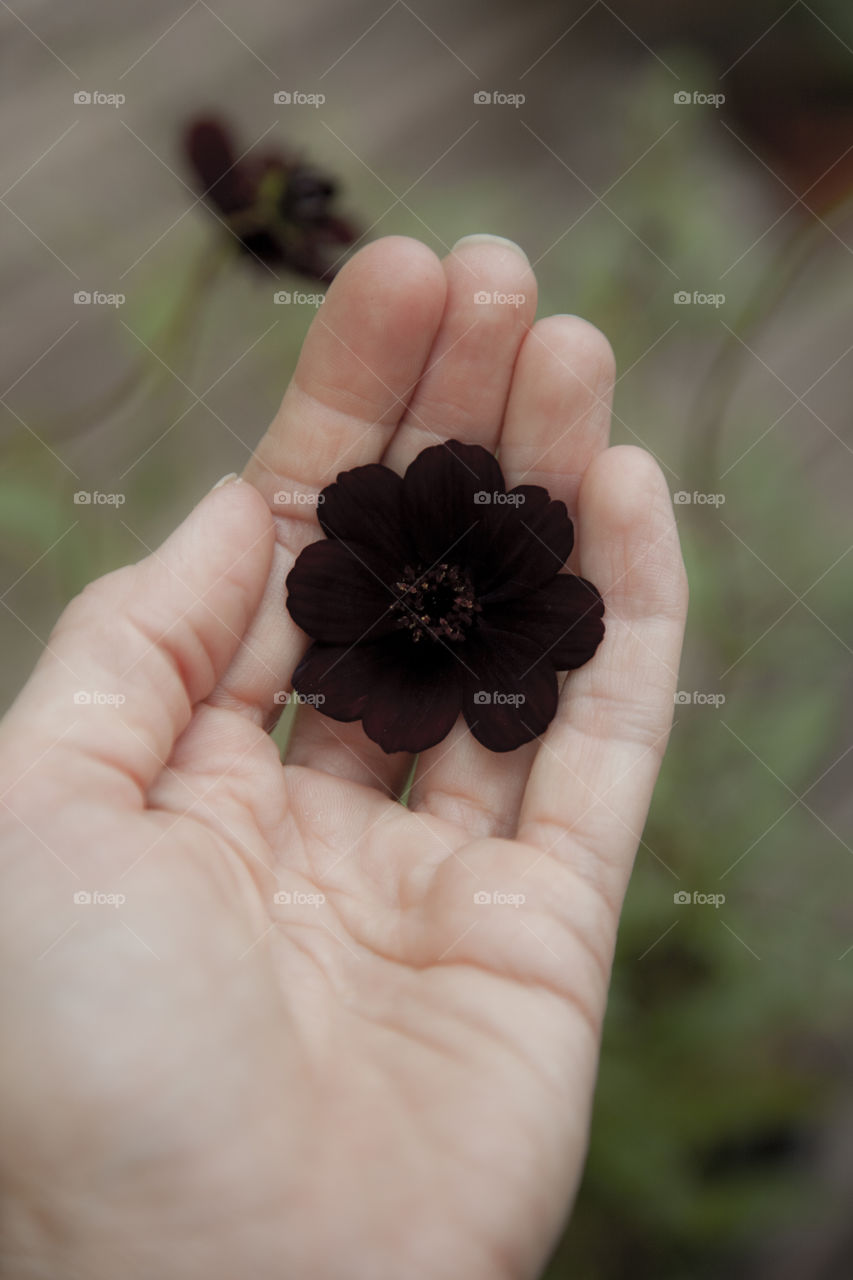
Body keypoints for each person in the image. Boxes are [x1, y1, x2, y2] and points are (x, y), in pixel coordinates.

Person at [0, 235, 687, 1278]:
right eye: (431, 591)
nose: (438, 597)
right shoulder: (352, 586)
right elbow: (336, 580)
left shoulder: (502, 633)